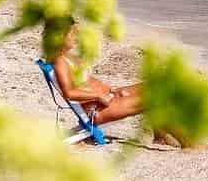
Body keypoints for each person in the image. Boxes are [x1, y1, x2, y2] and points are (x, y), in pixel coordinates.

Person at [51, 25, 194, 146]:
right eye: (72, 34)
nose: (75, 37)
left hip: (109, 98)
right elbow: (69, 93)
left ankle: (160, 135)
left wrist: (112, 93)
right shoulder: (60, 62)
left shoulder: (66, 57)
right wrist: (99, 95)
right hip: (99, 109)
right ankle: (188, 143)